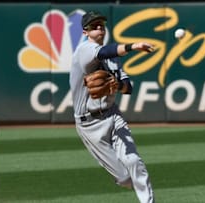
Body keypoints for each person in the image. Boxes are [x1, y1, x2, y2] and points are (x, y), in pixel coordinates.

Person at [69, 11, 155, 203]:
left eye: (101, 25)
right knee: (125, 178)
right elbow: (104, 52)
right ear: (85, 32)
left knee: (134, 161)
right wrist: (134, 46)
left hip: (112, 115)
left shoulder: (113, 58)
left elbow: (128, 87)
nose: (99, 28)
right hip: (89, 124)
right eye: (94, 25)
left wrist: (118, 84)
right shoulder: (85, 50)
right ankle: (130, 182)